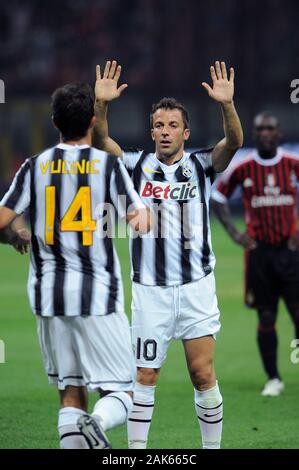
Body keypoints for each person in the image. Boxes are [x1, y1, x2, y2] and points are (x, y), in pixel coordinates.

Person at [92, 60, 243, 449]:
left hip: (196, 288)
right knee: (144, 376)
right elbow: (99, 145)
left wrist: (226, 105)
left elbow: (235, 144)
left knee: (202, 374)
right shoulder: (134, 165)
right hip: (150, 292)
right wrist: (101, 105)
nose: (164, 131)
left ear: (185, 132)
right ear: (151, 131)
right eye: (158, 125)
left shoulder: (201, 165)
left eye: (173, 125)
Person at [0, 82, 151, 449]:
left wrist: (17, 236)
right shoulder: (109, 166)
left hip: (49, 297)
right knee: (126, 393)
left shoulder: (34, 166)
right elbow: (141, 221)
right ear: (93, 120)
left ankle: (84, 423)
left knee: (70, 393)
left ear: (54, 122)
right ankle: (96, 423)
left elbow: (4, 221)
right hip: (98, 294)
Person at [211, 112, 299, 396]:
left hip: (291, 252)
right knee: (266, 316)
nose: (265, 133)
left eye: (270, 128)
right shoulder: (244, 168)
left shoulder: (292, 164)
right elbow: (218, 196)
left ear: (279, 133)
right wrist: (235, 233)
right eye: (260, 129)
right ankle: (273, 378)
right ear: (254, 133)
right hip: (260, 255)